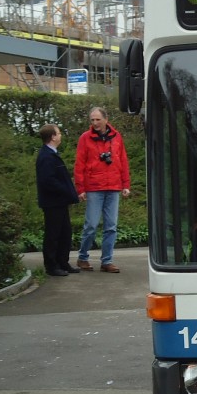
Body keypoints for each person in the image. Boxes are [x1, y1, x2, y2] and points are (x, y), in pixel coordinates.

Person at [74, 106, 131, 273]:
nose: (95, 123)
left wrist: (125, 184)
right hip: (94, 187)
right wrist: (80, 188)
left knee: (111, 226)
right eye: (92, 120)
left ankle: (107, 260)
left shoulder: (117, 137)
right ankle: (83, 257)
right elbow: (79, 164)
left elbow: (123, 161)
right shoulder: (85, 138)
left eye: (98, 119)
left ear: (106, 119)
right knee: (91, 225)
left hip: (113, 186)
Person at [35, 124, 80, 277]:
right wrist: (66, 191)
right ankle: (51, 265)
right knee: (53, 234)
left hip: (60, 202)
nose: (60, 136)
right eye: (59, 133)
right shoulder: (46, 156)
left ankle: (62, 262)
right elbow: (48, 181)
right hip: (53, 202)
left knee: (65, 233)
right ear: (53, 137)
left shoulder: (52, 154)